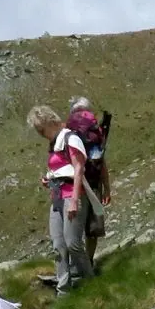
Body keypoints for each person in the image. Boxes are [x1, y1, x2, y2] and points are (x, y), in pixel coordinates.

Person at [27, 106, 95, 294]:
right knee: (58, 245)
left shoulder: (70, 139)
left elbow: (79, 169)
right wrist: (49, 179)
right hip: (57, 198)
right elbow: (61, 169)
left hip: (72, 196)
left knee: (73, 243)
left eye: (41, 128)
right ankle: (64, 289)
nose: (40, 133)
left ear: (50, 122)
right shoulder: (54, 143)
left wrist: (74, 200)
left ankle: (91, 282)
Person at [69, 97, 111, 275]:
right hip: (93, 184)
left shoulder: (69, 133)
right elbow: (101, 162)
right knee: (92, 229)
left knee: (73, 229)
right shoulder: (97, 133)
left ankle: (77, 267)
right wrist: (107, 188)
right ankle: (89, 262)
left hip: (73, 185)